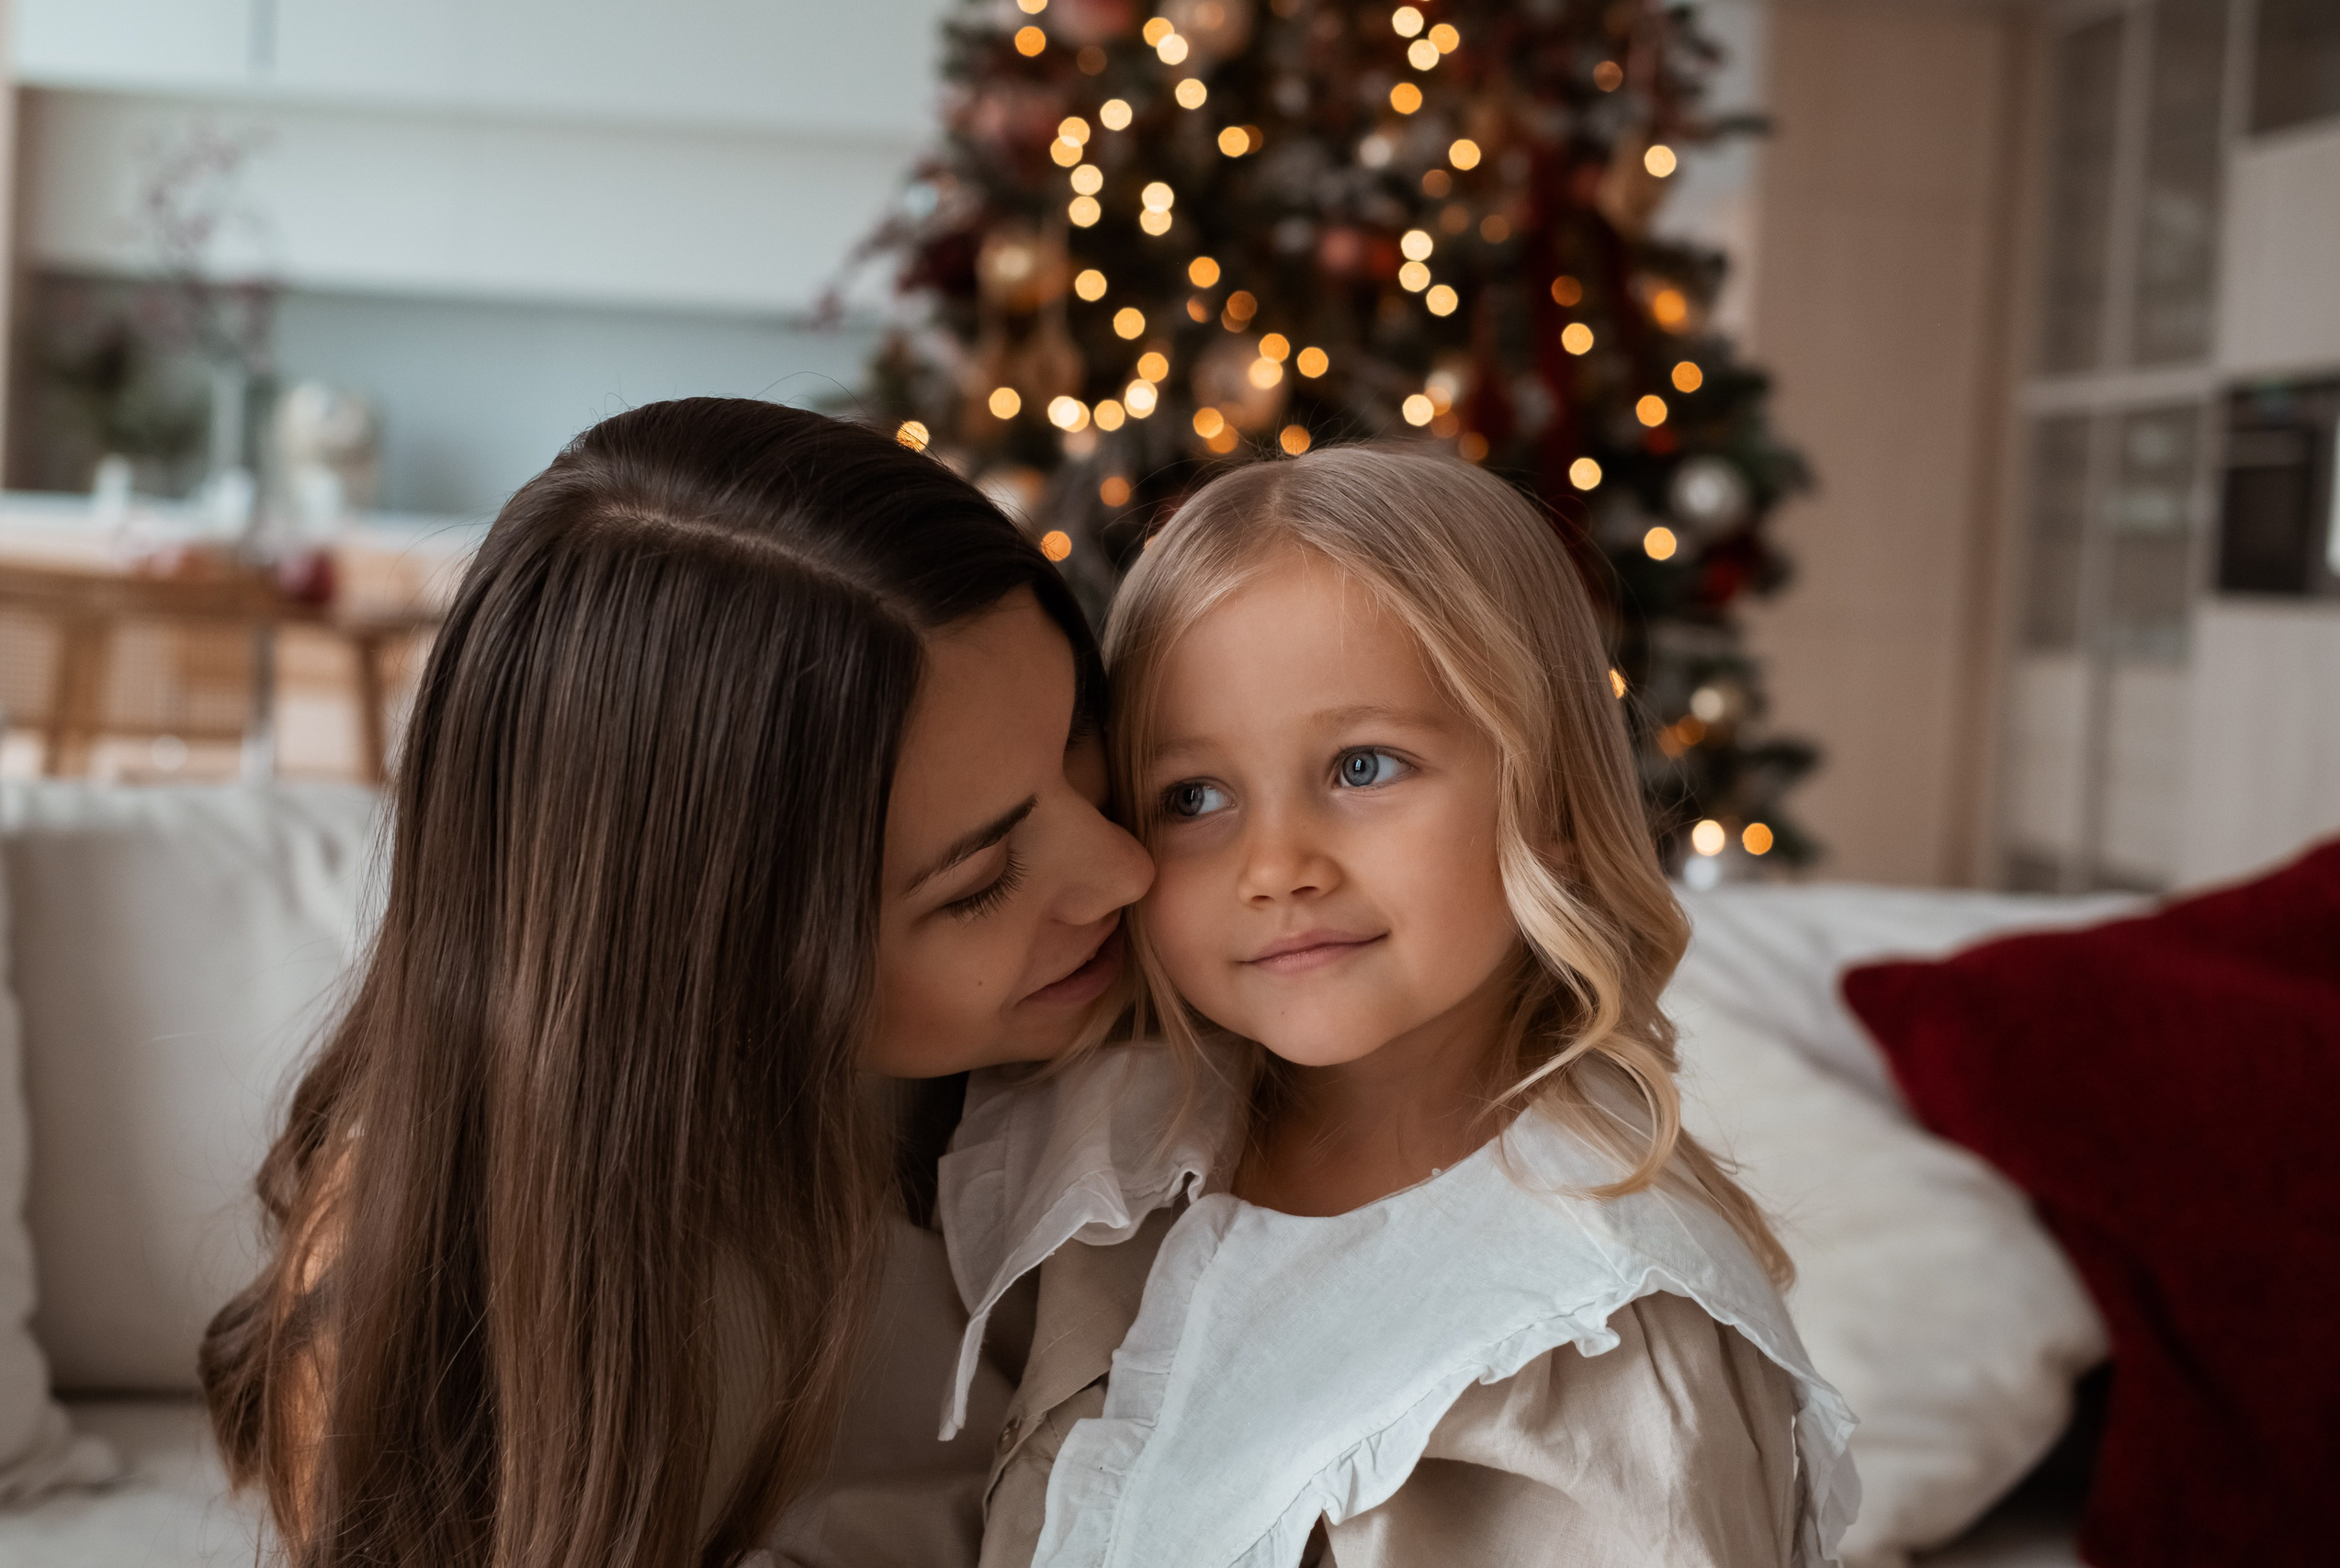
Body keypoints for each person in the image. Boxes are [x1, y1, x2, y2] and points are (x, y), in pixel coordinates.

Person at [198, 399, 1154, 1568]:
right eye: (978, 883)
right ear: (718, 960)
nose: (1126, 867)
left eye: (1077, 735)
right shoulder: (427, 1319)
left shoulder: (1152, 1015)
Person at [943, 447, 1859, 1567]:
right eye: (1195, 796)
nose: (1275, 868)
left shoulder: (1601, 1326)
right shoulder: (1100, 1156)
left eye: (1363, 767)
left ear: (1549, 796)